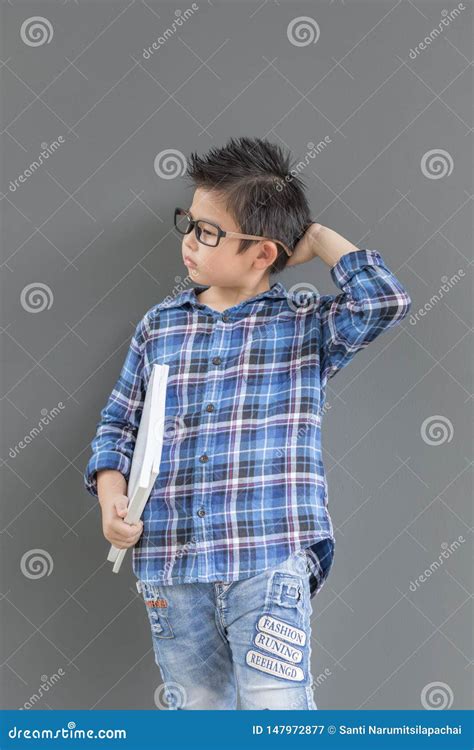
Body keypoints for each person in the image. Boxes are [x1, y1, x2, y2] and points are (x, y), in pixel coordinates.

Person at [84, 136, 411, 710]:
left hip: (268, 556)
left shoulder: (305, 325)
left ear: (263, 253)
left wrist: (320, 241)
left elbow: (383, 302)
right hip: (171, 563)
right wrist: (111, 498)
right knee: (199, 715)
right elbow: (118, 424)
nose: (190, 240)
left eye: (208, 232)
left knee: (275, 709)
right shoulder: (161, 325)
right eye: (189, 223)